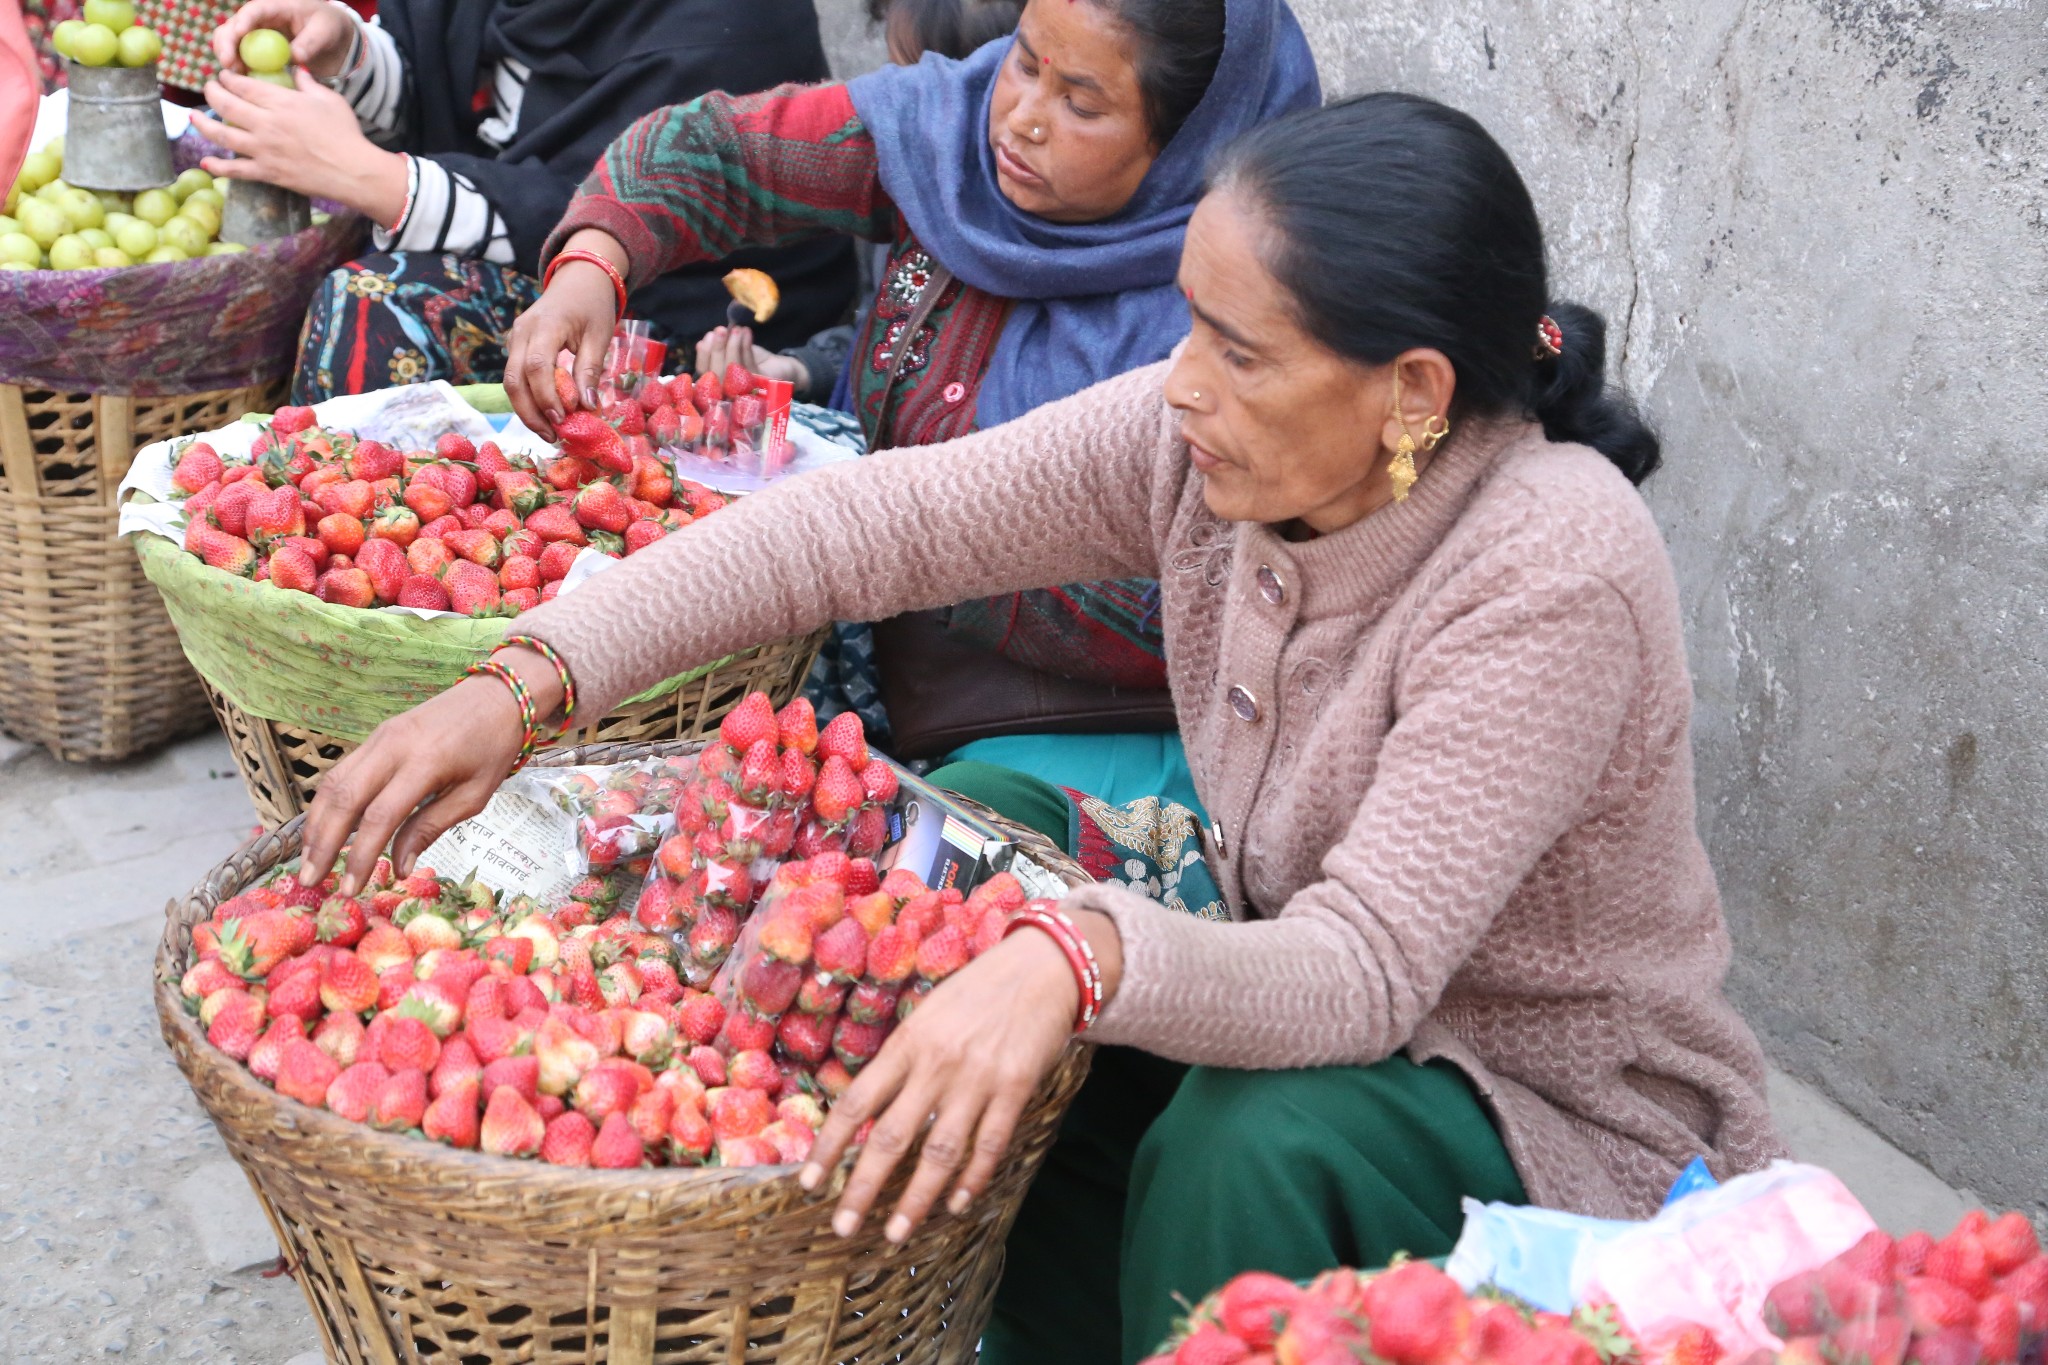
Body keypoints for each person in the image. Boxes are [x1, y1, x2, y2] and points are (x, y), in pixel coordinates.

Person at [297, 92, 1784, 1364]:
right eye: (1192, 322)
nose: (1183, 384)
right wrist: (529, 681)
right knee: (985, 1033)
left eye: (1241, 351)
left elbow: (1366, 971)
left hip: (1551, 1104)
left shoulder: (1550, 567)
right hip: (1323, 996)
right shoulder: (1210, 447)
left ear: (1411, 394)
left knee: (1235, 1140)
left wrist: (1074, 957)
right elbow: (866, 528)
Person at [505, 0, 1321, 816]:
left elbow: (1186, 605)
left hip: (1098, 727)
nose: (1022, 119)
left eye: (1082, 103)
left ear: (1185, 140)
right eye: (1026, 61)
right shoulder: (952, 134)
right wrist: (592, 266)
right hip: (881, 618)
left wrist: (846, 548)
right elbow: (715, 152)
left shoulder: (1227, 317)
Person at [192, 0, 855, 403]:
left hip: (693, 325)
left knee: (375, 307)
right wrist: (349, 52)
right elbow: (456, 84)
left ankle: (382, 592)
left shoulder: (721, 21)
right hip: (529, 258)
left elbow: (626, 206)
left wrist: (371, 177)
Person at [693, 0, 1027, 407]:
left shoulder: (1021, 247)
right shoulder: (901, 189)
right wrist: (798, 370)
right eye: (891, 72)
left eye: (913, 86)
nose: (890, 103)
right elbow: (877, 332)